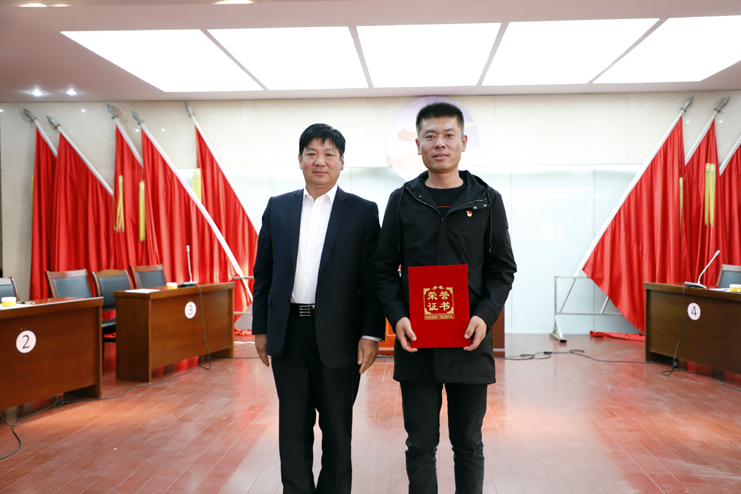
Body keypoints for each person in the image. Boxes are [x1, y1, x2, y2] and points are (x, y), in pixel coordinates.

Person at [373, 102, 517, 494]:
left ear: (463, 142)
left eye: (448, 135)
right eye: (431, 136)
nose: (440, 143)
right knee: (420, 444)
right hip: (416, 342)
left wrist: (485, 315)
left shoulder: (486, 200)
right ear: (418, 145)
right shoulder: (403, 199)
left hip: (469, 342)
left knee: (469, 443)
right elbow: (382, 268)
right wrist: (397, 316)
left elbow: (503, 269)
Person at [252, 123, 385, 494]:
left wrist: (370, 333)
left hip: (340, 336)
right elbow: (263, 273)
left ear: (342, 162)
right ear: (299, 159)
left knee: (337, 431)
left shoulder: (362, 212)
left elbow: (372, 280)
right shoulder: (278, 208)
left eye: (329, 154)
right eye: (311, 153)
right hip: (288, 332)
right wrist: (260, 328)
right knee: (292, 430)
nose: (319, 161)